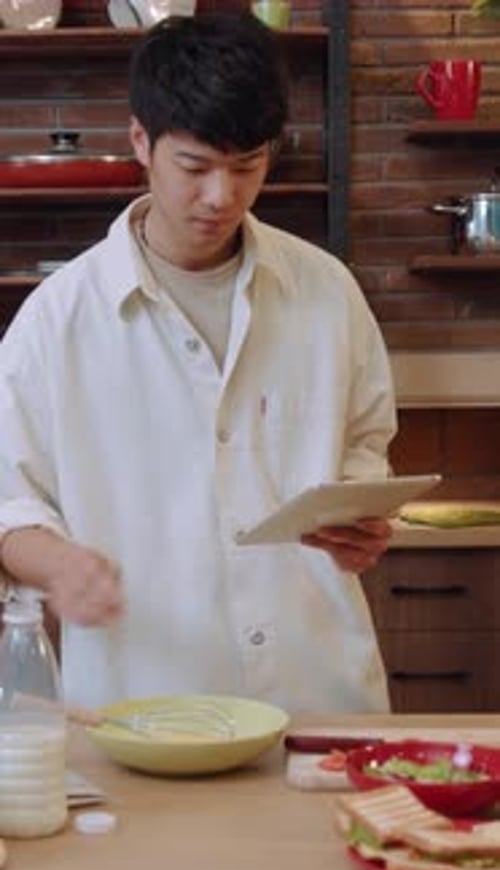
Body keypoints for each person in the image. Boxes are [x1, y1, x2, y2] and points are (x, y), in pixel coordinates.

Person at [0, 11, 397, 713]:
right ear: (140, 142)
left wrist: (361, 517)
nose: (222, 196)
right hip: (143, 711)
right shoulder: (56, 322)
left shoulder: (327, 291)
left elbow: (366, 444)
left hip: (320, 700)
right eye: (195, 166)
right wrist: (59, 565)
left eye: (247, 167)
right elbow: (9, 503)